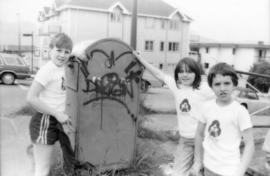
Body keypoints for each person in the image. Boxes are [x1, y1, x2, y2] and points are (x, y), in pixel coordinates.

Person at [133, 51, 214, 176]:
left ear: (196, 73)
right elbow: (158, 74)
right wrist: (140, 59)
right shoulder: (177, 86)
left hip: (204, 140)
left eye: (189, 71)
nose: (184, 75)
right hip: (185, 141)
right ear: (177, 74)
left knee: (202, 171)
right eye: (181, 71)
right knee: (178, 173)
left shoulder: (204, 88)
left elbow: (223, 97)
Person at [194, 63, 255, 176]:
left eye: (227, 83)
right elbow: (199, 134)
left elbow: (250, 144)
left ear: (234, 84)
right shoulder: (206, 107)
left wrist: (240, 172)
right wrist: (198, 161)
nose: (222, 88)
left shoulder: (240, 111)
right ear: (211, 86)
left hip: (230, 170)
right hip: (208, 167)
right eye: (217, 84)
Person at [27, 33, 74, 176]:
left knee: (67, 161)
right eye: (58, 50)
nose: (62, 55)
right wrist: (57, 114)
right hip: (45, 121)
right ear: (50, 50)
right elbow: (31, 98)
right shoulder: (47, 70)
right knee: (43, 167)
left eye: (66, 52)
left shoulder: (66, 68)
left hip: (62, 121)